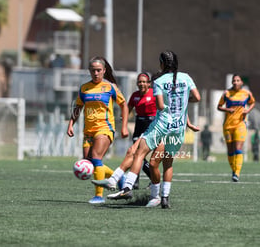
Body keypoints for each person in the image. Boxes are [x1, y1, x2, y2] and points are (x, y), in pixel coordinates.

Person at [93, 50, 201, 209]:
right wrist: (184, 101)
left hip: (161, 125)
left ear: (162, 64)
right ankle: (162, 197)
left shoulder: (159, 81)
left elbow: (160, 106)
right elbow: (197, 98)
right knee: (164, 163)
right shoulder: (186, 78)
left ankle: (127, 186)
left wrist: (167, 104)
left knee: (139, 152)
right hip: (177, 129)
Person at [67, 56, 129, 204]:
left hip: (105, 128)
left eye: (99, 70)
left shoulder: (110, 87)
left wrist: (124, 126)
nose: (96, 73)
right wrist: (70, 123)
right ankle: (118, 178)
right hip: (88, 130)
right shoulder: (84, 88)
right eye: (93, 70)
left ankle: (99, 196)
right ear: (89, 71)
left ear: (104, 71)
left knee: (96, 157)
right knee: (91, 162)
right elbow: (78, 107)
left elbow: (124, 105)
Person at [217, 74, 255, 182]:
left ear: (242, 82)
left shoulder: (246, 93)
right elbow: (218, 107)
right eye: (234, 80)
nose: (235, 82)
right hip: (228, 125)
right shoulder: (226, 93)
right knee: (230, 150)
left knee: (238, 148)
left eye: (238, 80)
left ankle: (237, 173)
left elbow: (252, 102)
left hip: (240, 124)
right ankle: (234, 170)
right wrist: (228, 110)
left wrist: (247, 111)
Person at [127, 72, 157, 189]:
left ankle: (153, 179)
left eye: (144, 81)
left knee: (140, 153)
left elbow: (162, 107)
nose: (142, 84)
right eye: (140, 82)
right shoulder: (134, 95)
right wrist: (123, 119)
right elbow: (128, 109)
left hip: (150, 124)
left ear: (149, 83)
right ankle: (136, 181)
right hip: (139, 124)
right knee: (136, 153)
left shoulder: (154, 94)